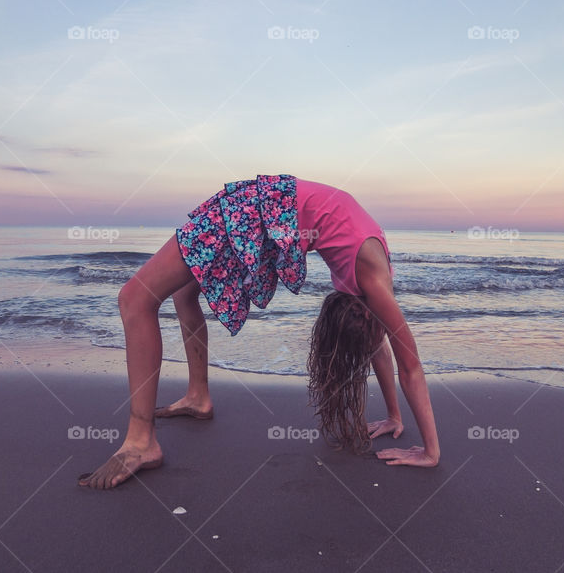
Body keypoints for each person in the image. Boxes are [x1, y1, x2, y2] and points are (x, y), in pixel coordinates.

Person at [78, 175, 441, 490]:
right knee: (136, 300)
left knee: (175, 292)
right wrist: (431, 451)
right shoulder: (371, 281)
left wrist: (395, 416)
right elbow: (409, 365)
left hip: (270, 207)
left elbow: (380, 344)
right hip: (260, 208)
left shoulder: (370, 287)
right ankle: (151, 432)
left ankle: (185, 408)